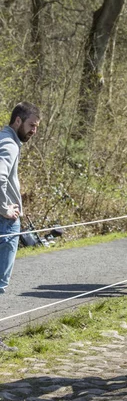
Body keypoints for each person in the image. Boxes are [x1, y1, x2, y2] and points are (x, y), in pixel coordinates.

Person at [0, 102, 40, 351]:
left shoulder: (3, 137)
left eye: (36, 126)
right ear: (17, 121)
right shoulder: (9, 143)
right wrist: (4, 207)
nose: (34, 130)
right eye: (31, 125)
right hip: (5, 223)